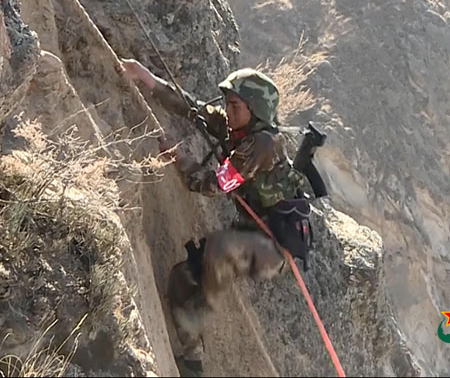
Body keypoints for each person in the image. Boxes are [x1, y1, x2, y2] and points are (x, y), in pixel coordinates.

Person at [119, 59, 312, 377]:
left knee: (202, 270)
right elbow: (194, 109)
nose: (228, 111)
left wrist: (179, 157)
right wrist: (147, 78)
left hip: (270, 249)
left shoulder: (261, 145)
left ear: (254, 110)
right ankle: (193, 355)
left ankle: (193, 350)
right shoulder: (241, 129)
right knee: (183, 277)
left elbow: (212, 185)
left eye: (235, 105)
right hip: (251, 236)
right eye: (228, 104)